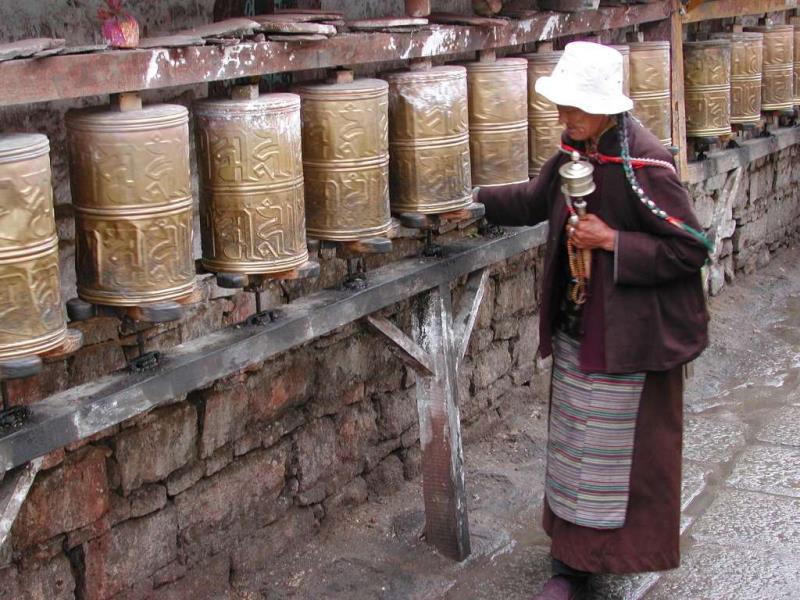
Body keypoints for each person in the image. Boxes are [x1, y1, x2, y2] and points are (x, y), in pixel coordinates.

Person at [476, 42, 710, 599]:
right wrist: (471, 202)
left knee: (615, 458)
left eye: (575, 107)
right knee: (576, 450)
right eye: (562, 106)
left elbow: (690, 249)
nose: (564, 117)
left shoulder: (646, 167)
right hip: (581, 330)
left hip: (628, 338)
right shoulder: (575, 155)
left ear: (607, 108)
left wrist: (612, 240)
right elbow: (535, 199)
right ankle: (571, 562)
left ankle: (591, 565)